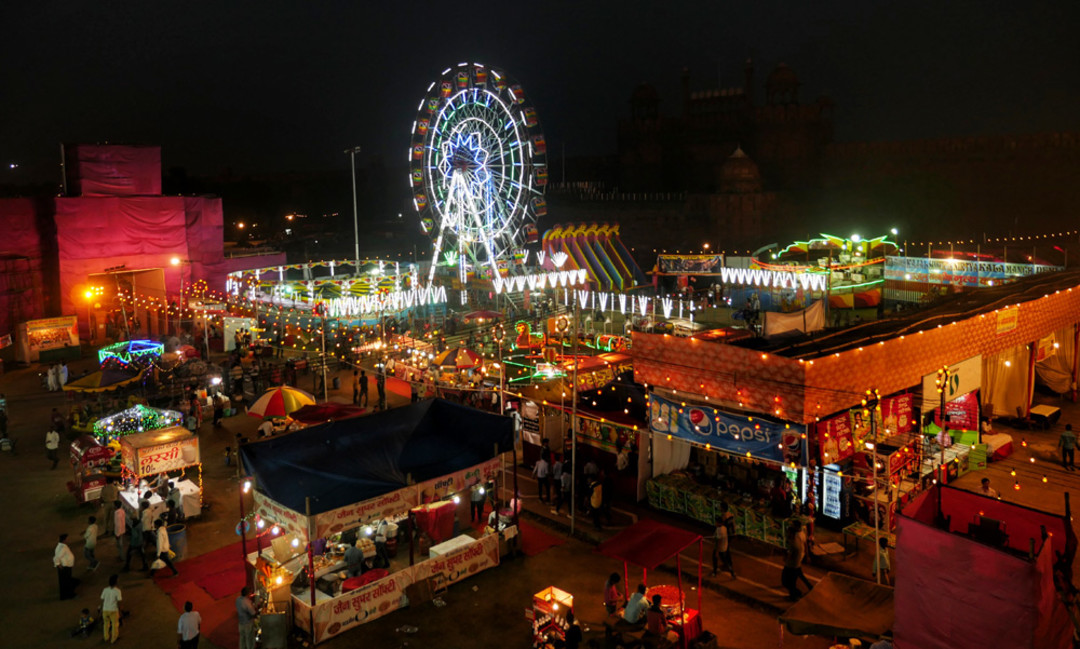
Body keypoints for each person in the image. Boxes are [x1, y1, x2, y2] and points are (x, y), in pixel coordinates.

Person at [781, 520, 812, 600]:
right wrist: (807, 556)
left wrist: (786, 557)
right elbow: (805, 544)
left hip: (792, 563)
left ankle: (796, 594)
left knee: (786, 581)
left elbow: (791, 552)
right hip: (799, 559)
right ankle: (809, 586)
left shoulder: (794, 541)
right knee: (798, 573)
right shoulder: (802, 533)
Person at [712, 502, 736, 578]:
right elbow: (733, 524)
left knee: (724, 552)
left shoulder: (724, 518)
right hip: (730, 534)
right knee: (726, 550)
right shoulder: (730, 514)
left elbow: (718, 540)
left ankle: (728, 565)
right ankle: (729, 565)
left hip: (726, 536)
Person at [54, 533, 77, 600]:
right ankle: (69, 595)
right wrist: (59, 565)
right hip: (65, 567)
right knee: (66, 582)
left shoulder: (61, 546)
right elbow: (56, 558)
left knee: (64, 582)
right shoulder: (62, 548)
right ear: (64, 540)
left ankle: (65, 595)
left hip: (64, 566)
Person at [100, 573, 122, 643]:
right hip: (113, 610)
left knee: (106, 624)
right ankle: (114, 638)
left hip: (105, 609)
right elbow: (119, 602)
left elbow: (102, 599)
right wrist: (120, 610)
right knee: (115, 624)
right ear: (116, 582)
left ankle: (106, 637)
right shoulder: (117, 591)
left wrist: (101, 609)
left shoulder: (105, 589)